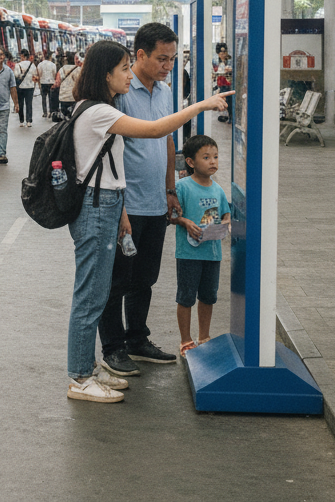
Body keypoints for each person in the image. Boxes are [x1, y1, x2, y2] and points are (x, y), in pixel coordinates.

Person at [65, 41, 232, 403]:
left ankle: (88, 369)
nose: (128, 75)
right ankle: (80, 377)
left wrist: (121, 210)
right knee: (91, 297)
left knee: (99, 292)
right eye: (124, 68)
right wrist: (202, 105)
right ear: (105, 73)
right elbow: (157, 130)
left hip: (107, 204)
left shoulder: (99, 108)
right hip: (96, 209)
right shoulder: (98, 112)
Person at [98, 23, 182, 379]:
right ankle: (113, 348)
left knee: (144, 278)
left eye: (173, 59)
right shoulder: (119, 93)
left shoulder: (164, 93)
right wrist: (120, 209)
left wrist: (170, 189)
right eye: (162, 58)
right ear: (140, 55)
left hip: (155, 203)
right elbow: (106, 154)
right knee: (116, 280)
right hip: (126, 208)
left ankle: (137, 339)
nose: (168, 66)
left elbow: (166, 141)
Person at [171, 135, 230, 356]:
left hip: (212, 253)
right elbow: (172, 215)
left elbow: (225, 215)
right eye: (206, 157)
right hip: (188, 254)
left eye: (215, 157)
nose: (213, 162)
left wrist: (225, 225)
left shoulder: (218, 189)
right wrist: (185, 222)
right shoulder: (182, 187)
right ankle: (186, 340)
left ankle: (204, 336)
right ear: (191, 162)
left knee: (208, 296)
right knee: (186, 297)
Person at [14, 49, 38, 127]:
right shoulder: (32, 65)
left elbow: (16, 75)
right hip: (30, 87)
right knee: (29, 104)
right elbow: (35, 75)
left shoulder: (18, 65)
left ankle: (21, 121)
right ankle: (29, 121)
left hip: (20, 87)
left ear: (22, 56)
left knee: (20, 104)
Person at [55, 51, 79, 117]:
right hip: (74, 97)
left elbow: (57, 83)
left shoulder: (62, 69)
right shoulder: (79, 69)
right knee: (74, 117)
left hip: (63, 97)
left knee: (65, 118)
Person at [38, 49, 57, 118]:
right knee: (50, 98)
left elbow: (39, 74)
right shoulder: (53, 65)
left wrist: (39, 82)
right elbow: (54, 73)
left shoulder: (40, 64)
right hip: (51, 82)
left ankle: (45, 112)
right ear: (50, 57)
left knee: (43, 98)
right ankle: (51, 111)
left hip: (43, 82)